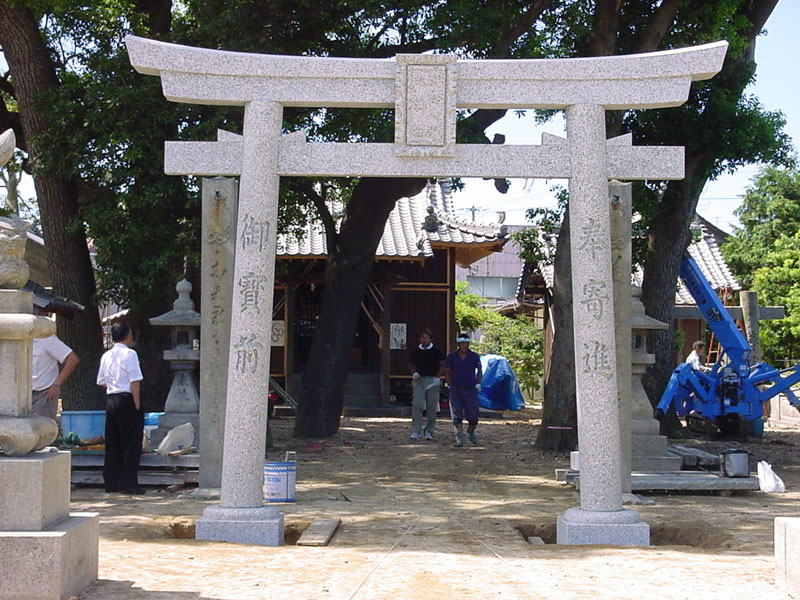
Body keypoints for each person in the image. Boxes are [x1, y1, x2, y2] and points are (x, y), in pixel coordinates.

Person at [97, 322, 145, 495]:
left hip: (111, 399)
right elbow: (134, 380)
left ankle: (111, 481)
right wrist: (137, 403)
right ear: (128, 335)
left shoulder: (106, 356)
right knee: (132, 443)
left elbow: (101, 381)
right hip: (126, 398)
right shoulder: (130, 354)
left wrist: (114, 386)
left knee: (113, 442)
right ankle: (128, 482)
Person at [31, 308, 79, 421]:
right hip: (25, 396)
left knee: (43, 433)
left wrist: (57, 384)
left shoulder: (47, 339)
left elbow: (73, 359)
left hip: (43, 395)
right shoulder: (23, 340)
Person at [444, 333, 482, 447]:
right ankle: (459, 437)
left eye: (466, 343)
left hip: (470, 388)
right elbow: (447, 370)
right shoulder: (452, 356)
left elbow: (479, 370)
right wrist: (449, 384)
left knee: (473, 415)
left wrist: (478, 384)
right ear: (458, 344)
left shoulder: (474, 356)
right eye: (462, 343)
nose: (464, 345)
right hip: (456, 388)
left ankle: (471, 431)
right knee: (456, 414)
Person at [408, 328, 445, 440]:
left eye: (426, 337)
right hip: (419, 380)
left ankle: (429, 430)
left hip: (432, 380)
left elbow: (442, 364)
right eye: (422, 337)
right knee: (417, 404)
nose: (424, 340)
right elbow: (411, 364)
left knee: (431, 406)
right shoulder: (416, 352)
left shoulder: (436, 352)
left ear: (430, 339)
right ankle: (416, 431)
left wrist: (437, 377)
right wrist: (414, 373)